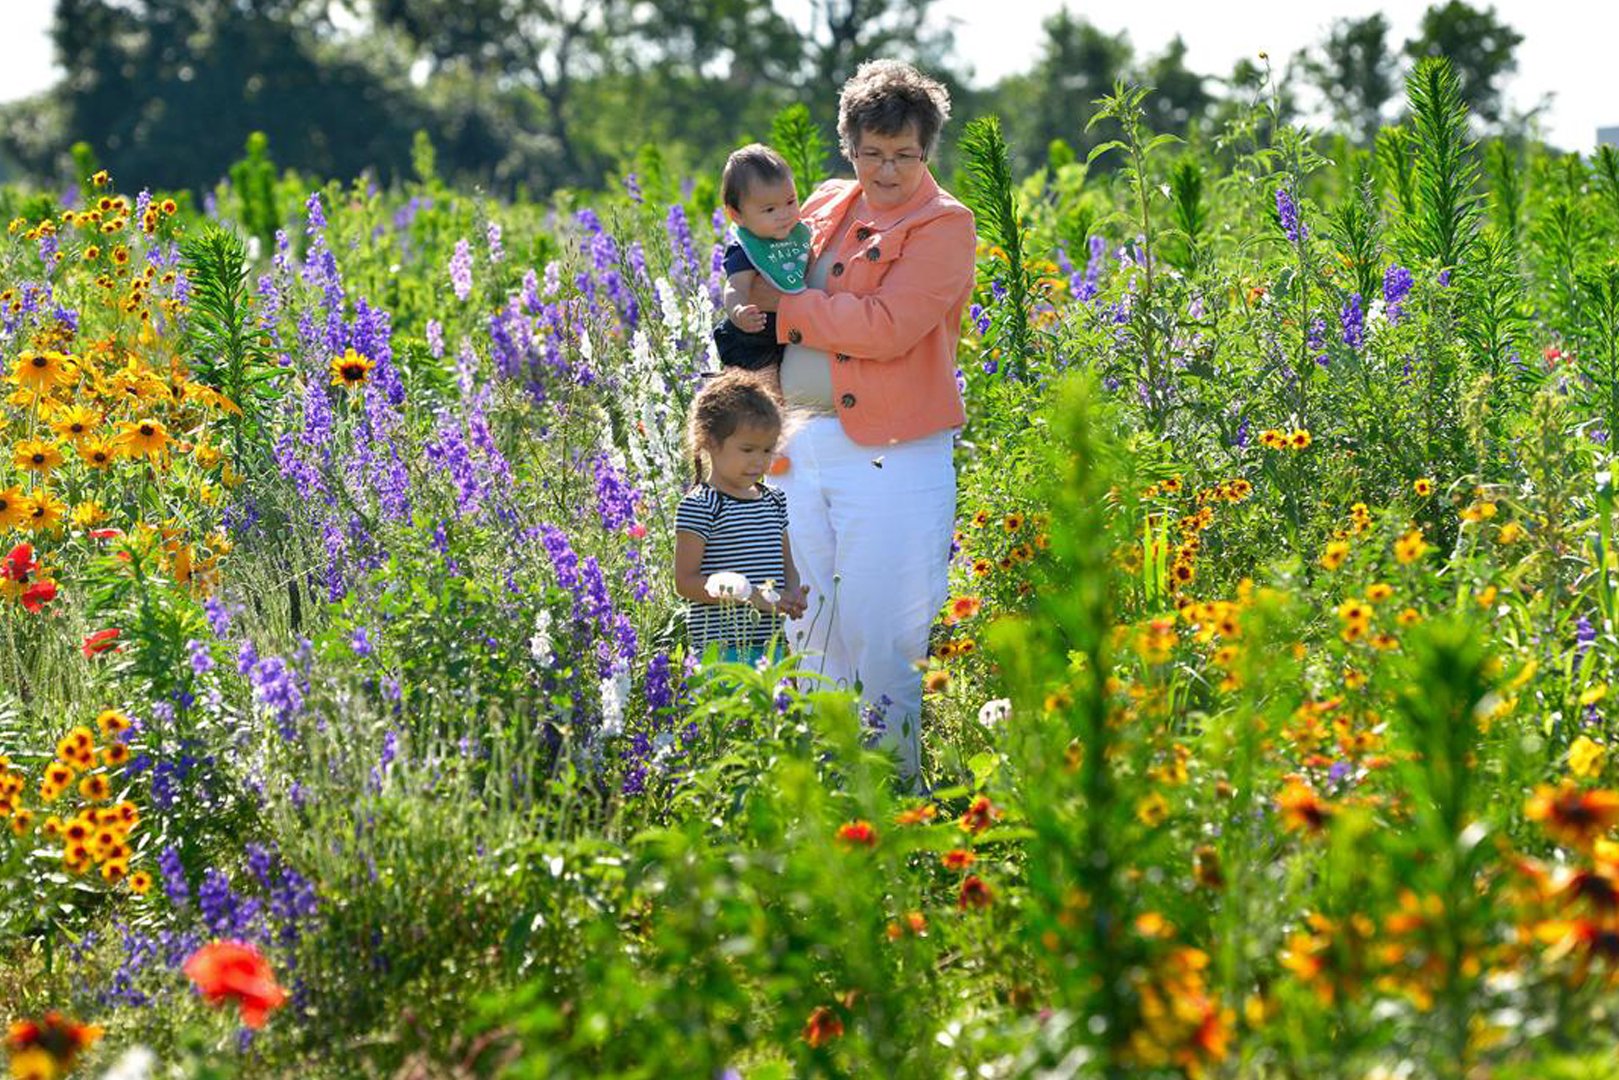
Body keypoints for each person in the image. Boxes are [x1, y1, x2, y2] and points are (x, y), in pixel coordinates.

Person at [747, 59, 976, 787]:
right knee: (808, 627)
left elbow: (888, 326)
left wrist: (783, 312)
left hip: (893, 456)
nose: (887, 169)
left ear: (927, 151)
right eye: (872, 152)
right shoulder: (819, 204)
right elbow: (752, 265)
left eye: (905, 154)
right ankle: (828, 803)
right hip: (793, 445)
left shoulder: (944, 224)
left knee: (885, 640)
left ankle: (895, 803)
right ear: (848, 145)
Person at [674, 369, 809, 663]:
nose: (759, 461)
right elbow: (685, 581)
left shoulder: (773, 499)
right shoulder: (702, 505)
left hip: (770, 648)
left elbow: (787, 565)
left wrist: (793, 591)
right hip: (722, 651)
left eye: (768, 450)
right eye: (747, 449)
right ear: (709, 441)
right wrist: (749, 595)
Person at [712, 144, 812, 387]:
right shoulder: (745, 251)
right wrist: (738, 312)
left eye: (790, 202)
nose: (785, 214)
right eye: (769, 209)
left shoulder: (797, 236)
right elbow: (735, 288)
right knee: (768, 401)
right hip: (753, 342)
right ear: (737, 215)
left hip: (789, 336)